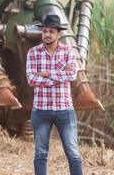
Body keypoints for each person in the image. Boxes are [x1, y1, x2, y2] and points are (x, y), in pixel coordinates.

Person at [26, 14, 83, 175]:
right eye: (44, 31)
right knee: (40, 154)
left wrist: (46, 74)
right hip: (41, 110)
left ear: (59, 34)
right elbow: (31, 79)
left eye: (51, 31)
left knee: (73, 154)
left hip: (65, 110)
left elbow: (72, 75)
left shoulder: (68, 51)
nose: (47, 34)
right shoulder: (33, 53)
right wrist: (58, 75)